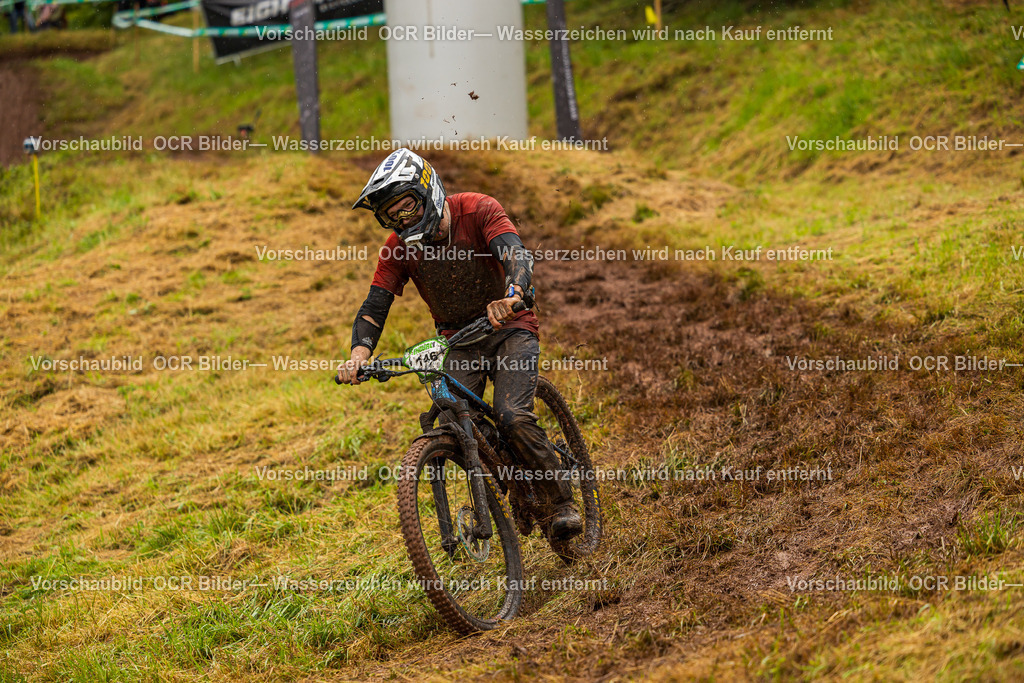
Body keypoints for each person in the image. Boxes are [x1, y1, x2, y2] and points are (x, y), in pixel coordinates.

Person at [336, 148, 583, 540]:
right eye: (392, 215)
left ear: (428, 190)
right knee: (454, 419)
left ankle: (561, 502)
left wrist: (514, 293)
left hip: (509, 326)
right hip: (459, 340)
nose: (402, 220)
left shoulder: (478, 209)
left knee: (511, 415)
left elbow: (513, 253)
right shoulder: (398, 247)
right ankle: (513, 491)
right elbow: (374, 305)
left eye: (407, 207)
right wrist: (358, 355)